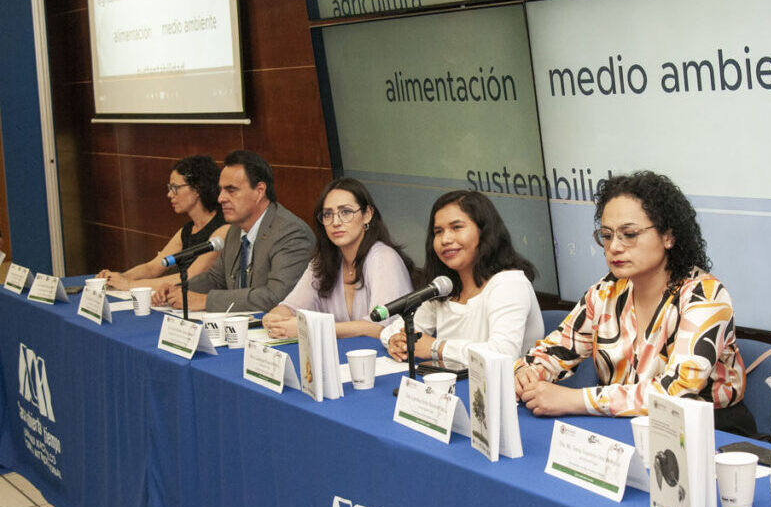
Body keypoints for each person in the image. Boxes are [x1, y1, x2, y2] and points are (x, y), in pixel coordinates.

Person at [513, 171, 754, 436]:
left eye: (629, 234)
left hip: (707, 433)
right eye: (606, 235)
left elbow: (676, 389)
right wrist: (529, 372)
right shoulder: (605, 292)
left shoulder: (704, 295)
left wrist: (575, 400)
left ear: (668, 236)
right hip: (622, 426)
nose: (614, 247)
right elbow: (552, 352)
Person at [380, 190, 543, 366]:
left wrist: (437, 348)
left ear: (484, 232)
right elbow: (393, 330)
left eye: (456, 227)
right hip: (451, 387)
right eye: (438, 231)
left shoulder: (509, 283)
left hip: (509, 390)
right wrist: (395, 340)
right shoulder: (444, 286)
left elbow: (503, 354)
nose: (445, 239)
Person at [157, 150, 315, 312]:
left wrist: (206, 301)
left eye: (231, 190)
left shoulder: (290, 233)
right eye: (221, 190)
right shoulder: (235, 230)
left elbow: (276, 296)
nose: (221, 198)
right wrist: (178, 290)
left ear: (260, 191)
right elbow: (215, 278)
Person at [262, 177, 416, 339]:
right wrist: (274, 318)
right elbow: (291, 307)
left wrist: (313, 328)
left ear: (367, 215)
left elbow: (380, 328)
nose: (336, 222)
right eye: (328, 214)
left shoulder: (383, 258)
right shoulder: (323, 261)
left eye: (346, 212)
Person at [98, 155, 228, 291]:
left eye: (175, 188)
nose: (169, 194)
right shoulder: (189, 229)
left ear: (197, 189)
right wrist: (118, 277)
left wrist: (130, 285)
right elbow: (153, 267)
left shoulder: (223, 227)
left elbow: (192, 276)